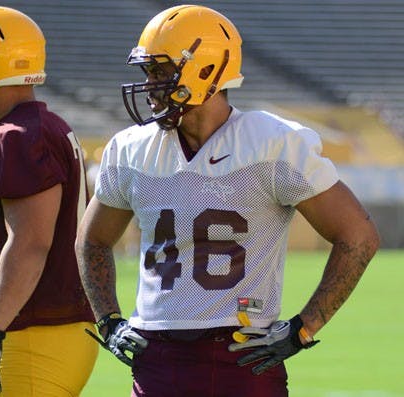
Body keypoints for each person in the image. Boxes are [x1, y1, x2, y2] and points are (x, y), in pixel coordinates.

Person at [75, 5, 380, 397]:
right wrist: (109, 321)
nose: (150, 86)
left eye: (161, 72)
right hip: (156, 357)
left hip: (242, 354)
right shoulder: (132, 149)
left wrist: (304, 328)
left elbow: (358, 236)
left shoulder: (272, 143)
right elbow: (91, 241)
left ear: (206, 71)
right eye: (147, 73)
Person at [0, 6, 97, 397]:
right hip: (51, 330)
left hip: (33, 332)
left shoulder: (16, 136)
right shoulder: (43, 127)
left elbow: (30, 243)